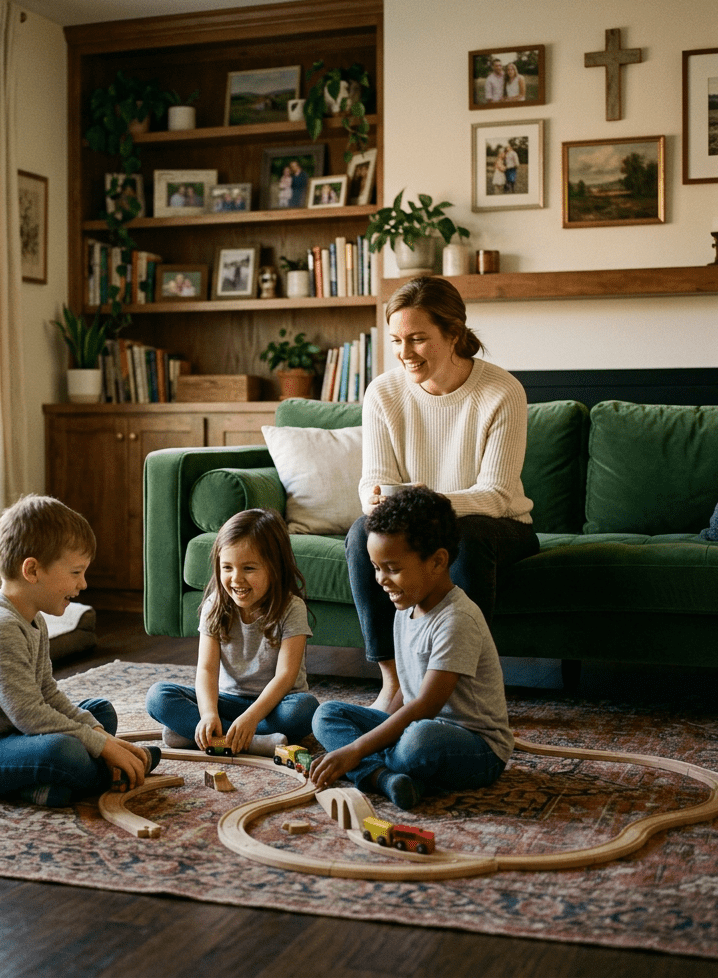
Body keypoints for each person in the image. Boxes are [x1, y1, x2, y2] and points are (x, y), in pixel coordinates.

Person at [346, 276, 539, 712]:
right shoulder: (382, 393)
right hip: (418, 522)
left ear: (453, 333)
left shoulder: (502, 392)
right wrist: (376, 500)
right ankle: (394, 684)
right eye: (397, 339)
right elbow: (372, 479)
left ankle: (459, 690)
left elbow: (494, 495)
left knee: (465, 536)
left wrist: (427, 501)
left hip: (500, 526)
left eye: (418, 339)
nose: (404, 353)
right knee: (362, 533)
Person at [0, 495, 160, 807]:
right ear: (32, 570)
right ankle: (102, 774)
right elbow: (30, 716)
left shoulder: (34, 618)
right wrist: (105, 747)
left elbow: (46, 692)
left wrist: (103, 738)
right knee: (63, 751)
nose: (83, 583)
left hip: (7, 732)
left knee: (100, 712)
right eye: (75, 572)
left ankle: (47, 787)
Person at [310, 487, 513, 809]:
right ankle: (385, 778)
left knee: (418, 741)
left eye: (392, 568)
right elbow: (408, 690)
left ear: (437, 561)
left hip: (474, 747)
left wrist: (357, 749)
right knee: (327, 714)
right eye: (376, 568)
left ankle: (374, 767)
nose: (380, 580)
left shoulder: (457, 619)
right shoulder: (405, 606)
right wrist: (377, 732)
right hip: (418, 727)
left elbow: (425, 706)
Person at [145, 508, 319, 756]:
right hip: (227, 702)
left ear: (275, 567)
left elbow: (286, 676)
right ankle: (253, 743)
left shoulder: (292, 608)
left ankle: (200, 736)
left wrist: (250, 718)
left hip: (274, 706)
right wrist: (207, 714)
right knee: (158, 697)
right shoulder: (213, 606)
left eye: (249, 568)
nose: (237, 579)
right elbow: (206, 669)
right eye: (227, 567)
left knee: (305, 709)